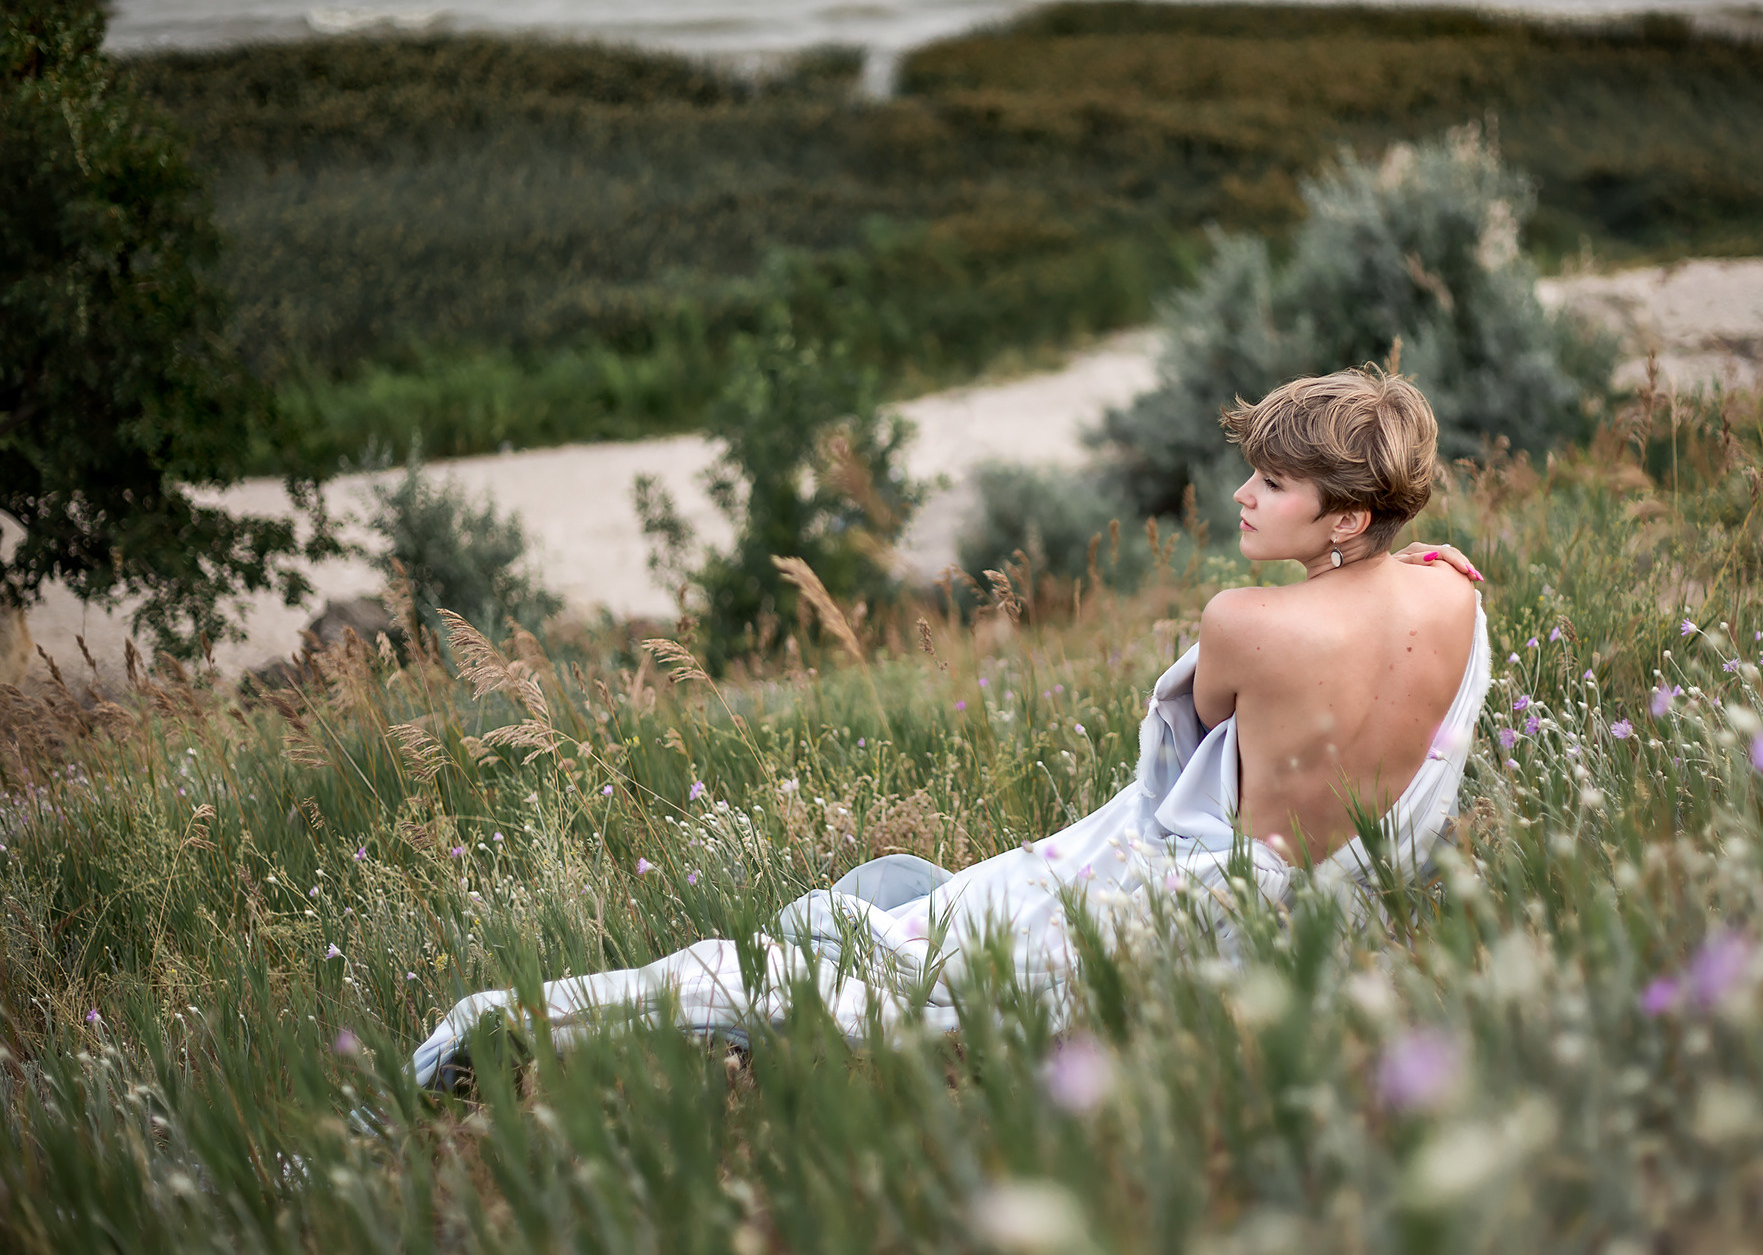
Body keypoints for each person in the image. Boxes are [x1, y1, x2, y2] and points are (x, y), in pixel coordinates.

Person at [406, 367, 1490, 1088]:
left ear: (1344, 516)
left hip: (1186, 907)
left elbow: (1187, 748)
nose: (1242, 495)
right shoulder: (1453, 597)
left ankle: (528, 1022)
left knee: (860, 960)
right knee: (894, 906)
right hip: (1324, 907)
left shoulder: (1246, 624)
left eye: (1272, 481)